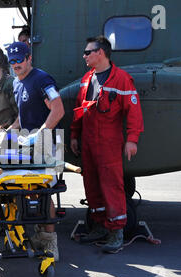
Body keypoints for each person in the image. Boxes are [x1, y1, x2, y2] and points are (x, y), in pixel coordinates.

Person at [70, 35, 144, 253]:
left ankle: (116, 232)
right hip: (89, 142)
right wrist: (75, 136)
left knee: (111, 186)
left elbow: (134, 112)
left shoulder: (121, 79)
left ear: (100, 53)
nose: (84, 55)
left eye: (87, 52)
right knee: (91, 185)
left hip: (109, 143)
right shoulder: (86, 79)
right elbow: (79, 109)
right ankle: (100, 225)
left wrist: (132, 140)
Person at [6, 42, 65, 261]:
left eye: (19, 60)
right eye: (11, 61)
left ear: (29, 58)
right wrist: (9, 132)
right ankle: (40, 235)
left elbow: (58, 109)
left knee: (45, 191)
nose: (15, 65)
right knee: (31, 190)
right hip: (30, 144)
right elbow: (23, 115)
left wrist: (40, 134)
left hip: (47, 143)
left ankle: (50, 242)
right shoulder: (16, 83)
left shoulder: (42, 79)